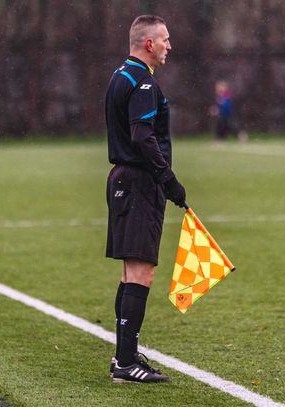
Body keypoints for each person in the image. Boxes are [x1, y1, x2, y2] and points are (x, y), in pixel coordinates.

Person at [105, 15, 186, 384]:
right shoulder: (143, 82)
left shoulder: (120, 74)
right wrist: (168, 180)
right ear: (149, 43)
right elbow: (142, 136)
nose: (169, 45)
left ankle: (125, 354)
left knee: (130, 272)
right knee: (141, 272)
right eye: (165, 39)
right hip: (139, 182)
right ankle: (125, 362)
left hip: (124, 180)